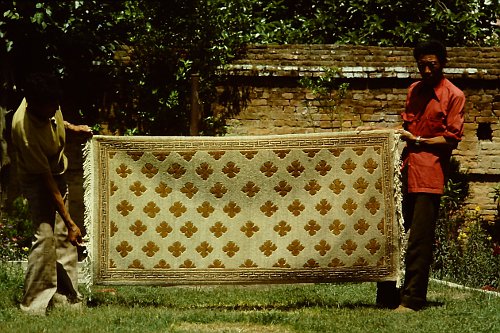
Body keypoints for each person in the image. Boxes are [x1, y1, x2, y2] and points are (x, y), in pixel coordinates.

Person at [364, 40, 465, 312]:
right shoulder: (414, 90)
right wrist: (381, 133)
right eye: (422, 65)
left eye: (432, 64)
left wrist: (418, 139)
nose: (427, 69)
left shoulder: (454, 95)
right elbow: (406, 125)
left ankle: (412, 300)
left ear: (442, 63)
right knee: (392, 235)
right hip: (404, 171)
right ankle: (386, 297)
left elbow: (450, 140)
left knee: (419, 241)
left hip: (430, 175)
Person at [10, 72, 92, 315]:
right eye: (51, 106)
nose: (55, 108)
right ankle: (33, 305)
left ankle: (66, 298)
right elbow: (46, 181)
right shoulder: (23, 128)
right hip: (38, 179)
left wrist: (72, 128)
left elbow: (56, 121)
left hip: (57, 171)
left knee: (65, 238)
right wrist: (69, 220)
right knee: (45, 237)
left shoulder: (49, 101)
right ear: (33, 103)